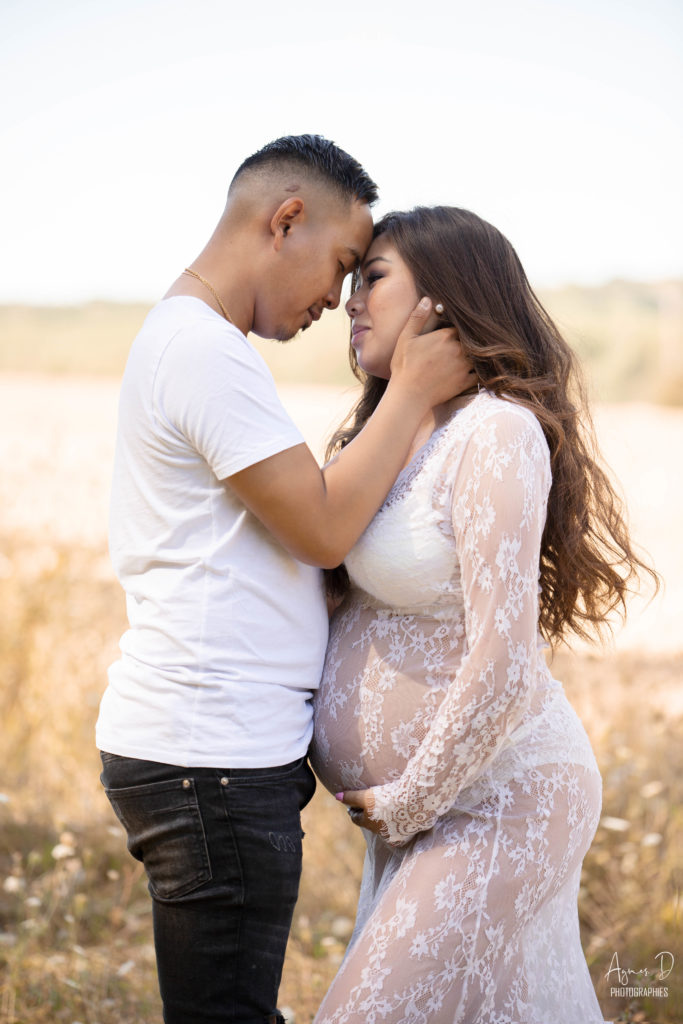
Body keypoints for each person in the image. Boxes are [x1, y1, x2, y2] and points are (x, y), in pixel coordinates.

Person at [95, 138, 473, 1024]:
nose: (339, 300)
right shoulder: (201, 350)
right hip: (208, 760)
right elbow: (323, 527)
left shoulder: (193, 341)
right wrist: (412, 393)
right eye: (342, 264)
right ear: (286, 220)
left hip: (211, 759)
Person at [311, 206, 656, 1023]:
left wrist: (410, 801)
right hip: (430, 808)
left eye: (373, 279)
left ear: (443, 296)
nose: (350, 301)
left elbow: (505, 659)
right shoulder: (381, 435)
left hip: (496, 798)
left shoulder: (493, 432)